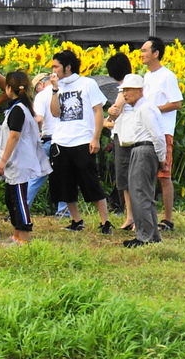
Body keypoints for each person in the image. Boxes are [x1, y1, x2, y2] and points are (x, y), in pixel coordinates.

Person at [48, 49, 112, 234]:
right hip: (61, 141)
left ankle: (105, 222)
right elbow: (54, 113)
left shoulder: (87, 84)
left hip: (83, 140)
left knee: (91, 182)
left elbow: (98, 111)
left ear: (67, 67)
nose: (53, 70)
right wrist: (53, 90)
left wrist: (96, 137)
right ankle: (77, 220)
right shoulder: (56, 87)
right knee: (66, 184)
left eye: (56, 66)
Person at [0, 71, 51, 245]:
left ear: (8, 88)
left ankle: (24, 237)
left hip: (18, 161)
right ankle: (16, 235)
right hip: (16, 162)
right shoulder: (18, 107)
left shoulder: (19, 110)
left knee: (19, 200)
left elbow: (14, 136)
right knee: (11, 198)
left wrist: (3, 160)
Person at [116, 74, 168, 248]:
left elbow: (157, 135)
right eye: (124, 90)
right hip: (141, 149)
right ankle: (151, 235)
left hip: (144, 149)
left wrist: (162, 158)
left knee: (140, 194)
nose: (125, 94)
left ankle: (145, 236)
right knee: (143, 193)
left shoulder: (144, 108)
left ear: (139, 90)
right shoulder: (141, 108)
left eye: (128, 90)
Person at [140, 36, 183, 231]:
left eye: (145, 51)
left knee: (163, 176)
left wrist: (154, 110)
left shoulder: (167, 76)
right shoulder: (146, 77)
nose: (141, 54)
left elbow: (177, 103)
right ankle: (149, 216)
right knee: (147, 175)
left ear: (156, 53)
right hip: (146, 132)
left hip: (163, 131)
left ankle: (167, 219)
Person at [27, 71, 68, 217]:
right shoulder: (65, 92)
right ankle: (63, 211)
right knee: (64, 176)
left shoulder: (42, 95)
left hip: (48, 139)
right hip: (65, 139)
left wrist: (36, 134)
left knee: (37, 175)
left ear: (40, 85)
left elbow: (39, 119)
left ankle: (24, 207)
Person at [103, 52, 135, 230]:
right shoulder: (135, 85)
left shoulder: (125, 88)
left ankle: (133, 217)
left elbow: (115, 112)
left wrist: (105, 119)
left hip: (125, 139)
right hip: (126, 136)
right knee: (126, 180)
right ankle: (131, 216)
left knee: (126, 179)